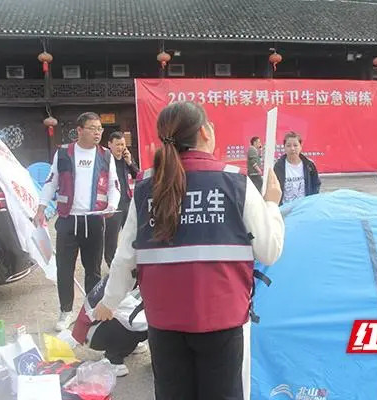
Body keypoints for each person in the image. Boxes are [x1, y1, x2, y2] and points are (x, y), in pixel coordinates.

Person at [93, 101, 285, 400]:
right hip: (222, 321)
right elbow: (269, 250)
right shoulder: (235, 181)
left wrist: (109, 301)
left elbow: (126, 256)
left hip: (164, 323)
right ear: (205, 132)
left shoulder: (146, 185)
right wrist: (272, 203)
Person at [35, 112, 120, 332]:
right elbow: (51, 182)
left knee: (93, 270)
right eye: (92, 128)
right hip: (67, 220)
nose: (97, 133)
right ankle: (66, 311)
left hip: (94, 220)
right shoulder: (64, 153)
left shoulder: (105, 155)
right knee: (64, 268)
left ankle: (90, 311)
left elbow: (114, 185)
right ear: (79, 130)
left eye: (100, 129)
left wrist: (112, 205)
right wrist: (41, 208)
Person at [71, 275, 148, 377]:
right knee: (148, 324)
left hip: (99, 323)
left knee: (148, 321)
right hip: (92, 330)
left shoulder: (127, 273)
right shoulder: (122, 275)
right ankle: (113, 358)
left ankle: (129, 345)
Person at [104, 132, 139, 268]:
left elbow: (139, 175)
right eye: (117, 144)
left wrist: (130, 162)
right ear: (110, 145)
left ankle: (131, 263)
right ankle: (111, 264)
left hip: (128, 201)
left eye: (122, 144)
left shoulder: (126, 159)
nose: (120, 147)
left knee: (131, 234)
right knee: (112, 236)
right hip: (113, 204)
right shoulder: (106, 160)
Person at [274, 131, 321, 204]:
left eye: (295, 145)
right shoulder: (278, 166)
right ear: (284, 147)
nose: (292, 148)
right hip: (285, 208)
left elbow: (316, 184)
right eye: (288, 145)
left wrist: (311, 201)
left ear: (300, 147)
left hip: (304, 207)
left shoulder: (309, 165)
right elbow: (274, 188)